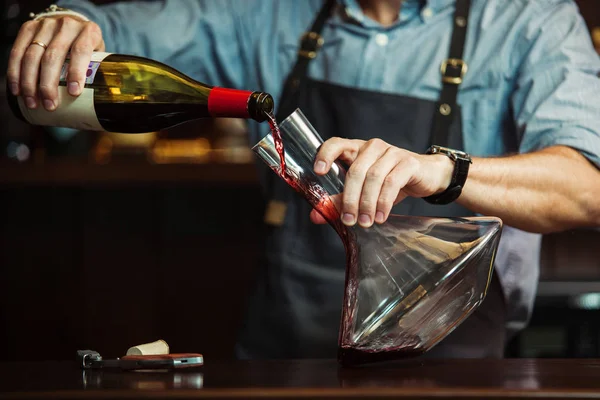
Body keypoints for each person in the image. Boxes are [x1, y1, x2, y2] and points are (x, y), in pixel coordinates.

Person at [7, 0, 600, 359]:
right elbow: (113, 32)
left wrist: (441, 170)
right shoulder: (268, 12)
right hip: (282, 355)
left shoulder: (529, 19)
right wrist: (65, 21)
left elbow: (588, 186)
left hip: (456, 362)